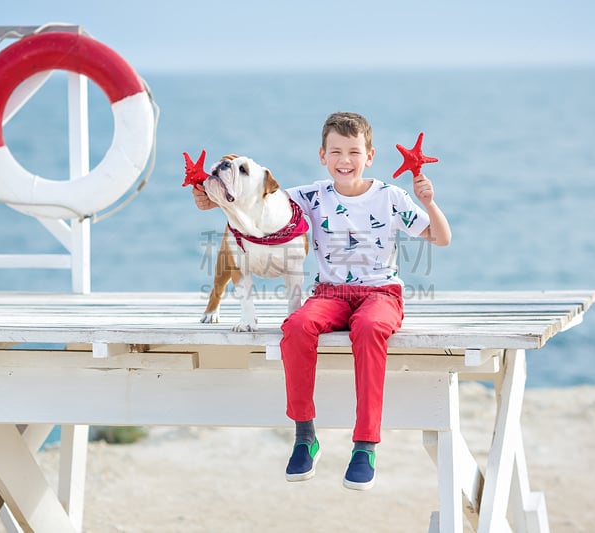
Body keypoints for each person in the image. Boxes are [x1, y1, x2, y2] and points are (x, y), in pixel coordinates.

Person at [192, 111, 451, 491]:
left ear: (370, 156)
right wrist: (207, 195)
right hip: (329, 293)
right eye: (335, 151)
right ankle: (304, 436)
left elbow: (441, 238)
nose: (344, 160)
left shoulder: (391, 197)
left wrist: (430, 202)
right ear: (322, 155)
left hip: (381, 293)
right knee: (296, 326)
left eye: (353, 151)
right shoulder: (309, 196)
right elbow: (254, 198)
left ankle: (364, 445)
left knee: (370, 327)